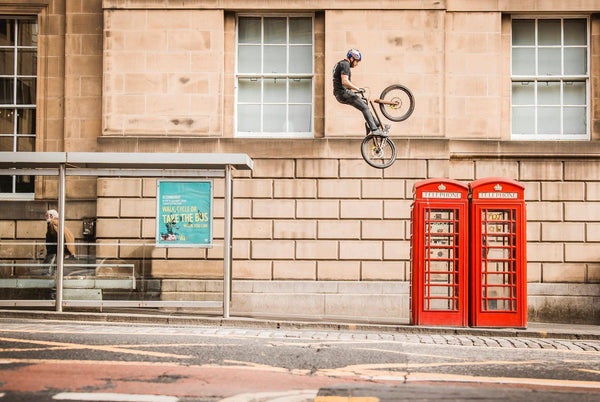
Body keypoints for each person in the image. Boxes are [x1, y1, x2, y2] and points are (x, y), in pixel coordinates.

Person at [332, 49, 387, 136]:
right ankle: (375, 129)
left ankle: (377, 125)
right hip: (343, 92)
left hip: (340, 93)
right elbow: (345, 82)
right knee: (364, 108)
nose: (357, 64)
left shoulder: (341, 64)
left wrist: (356, 91)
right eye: (357, 61)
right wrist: (357, 89)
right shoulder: (345, 64)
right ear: (352, 58)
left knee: (364, 106)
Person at [43, 209, 76, 275]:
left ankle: (48, 278)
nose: (45, 217)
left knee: (48, 265)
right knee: (55, 265)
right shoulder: (56, 223)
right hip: (55, 249)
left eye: (47, 216)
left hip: (53, 250)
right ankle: (52, 276)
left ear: (51, 216)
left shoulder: (53, 224)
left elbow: (59, 236)